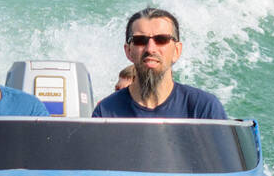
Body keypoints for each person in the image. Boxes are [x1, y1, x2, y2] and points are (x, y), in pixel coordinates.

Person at [92, 7, 227, 119]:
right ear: (128, 51)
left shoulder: (204, 108)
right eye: (140, 40)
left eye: (161, 39)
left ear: (177, 50)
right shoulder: (105, 112)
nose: (150, 48)